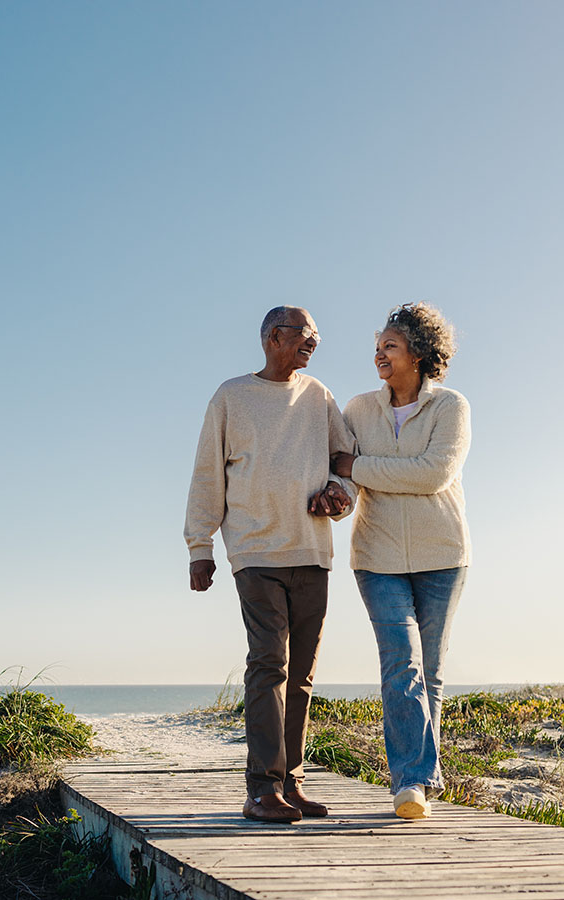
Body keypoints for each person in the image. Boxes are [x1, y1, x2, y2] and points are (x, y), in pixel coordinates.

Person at [186, 305, 356, 823]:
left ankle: (290, 783)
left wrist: (338, 492)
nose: (315, 343)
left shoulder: (319, 396)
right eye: (307, 334)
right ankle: (260, 789)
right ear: (275, 337)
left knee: (300, 675)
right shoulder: (231, 396)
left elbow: (345, 460)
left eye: (317, 336)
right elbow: (207, 474)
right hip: (256, 555)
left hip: (311, 552)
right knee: (269, 665)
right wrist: (200, 547)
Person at [331, 302, 470, 821]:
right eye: (377, 347)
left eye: (389, 346)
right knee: (401, 664)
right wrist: (340, 489)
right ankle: (410, 783)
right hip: (377, 555)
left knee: (429, 671)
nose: (378, 355)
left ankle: (422, 780)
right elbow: (342, 474)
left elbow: (433, 474)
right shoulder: (357, 410)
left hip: (443, 555)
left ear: (418, 352)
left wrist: (361, 466)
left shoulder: (451, 407)